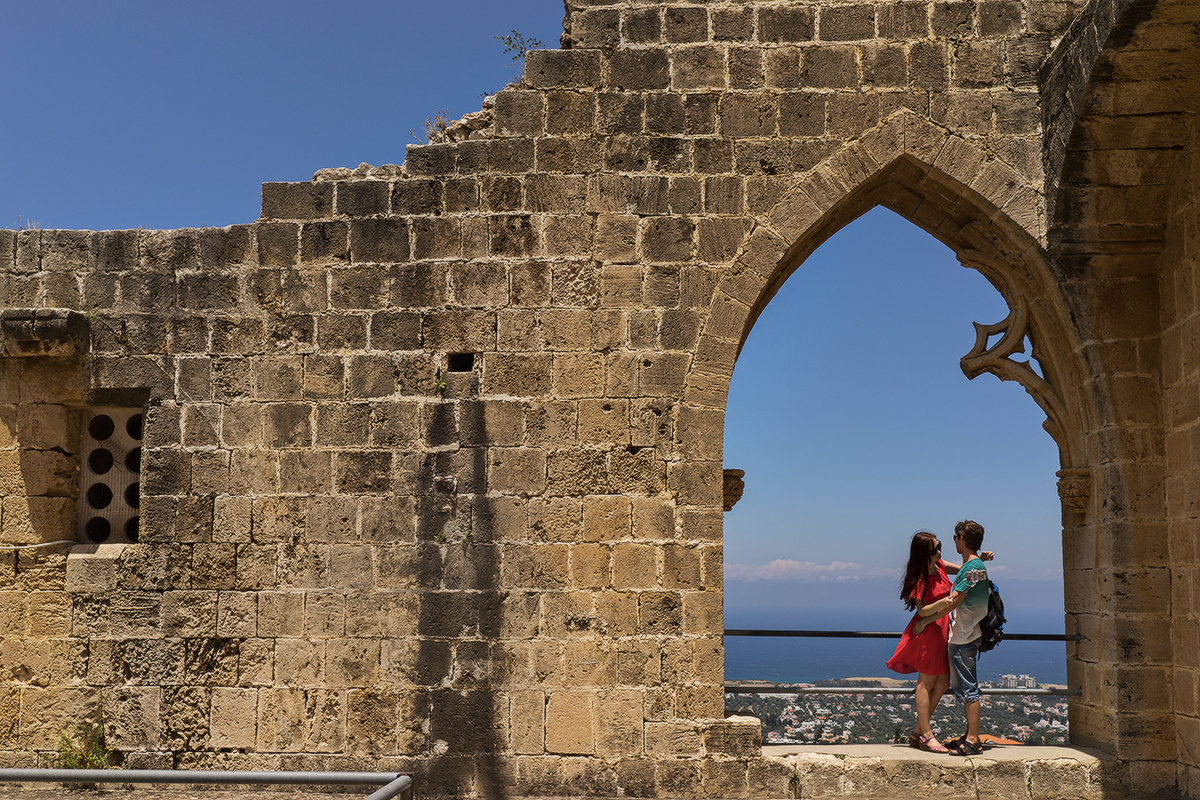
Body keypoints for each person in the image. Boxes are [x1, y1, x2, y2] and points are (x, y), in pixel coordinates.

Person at [885, 530, 992, 753]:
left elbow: (963, 572)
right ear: (924, 553)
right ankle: (926, 734)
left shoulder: (940, 565)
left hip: (944, 629)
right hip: (929, 631)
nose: (939, 551)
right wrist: (946, 602)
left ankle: (918, 731)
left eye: (939, 546)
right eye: (934, 549)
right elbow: (922, 611)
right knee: (925, 682)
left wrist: (979, 560)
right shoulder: (921, 577)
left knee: (942, 684)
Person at [914, 519, 990, 756]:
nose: (951, 543)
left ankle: (973, 739)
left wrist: (925, 620)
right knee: (960, 686)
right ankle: (961, 735)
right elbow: (950, 567)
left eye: (955, 538)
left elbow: (952, 601)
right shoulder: (972, 566)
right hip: (966, 632)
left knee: (968, 689)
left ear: (962, 540)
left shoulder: (971, 569)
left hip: (963, 635)